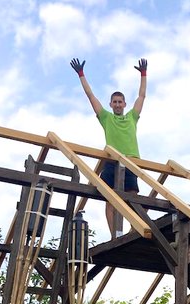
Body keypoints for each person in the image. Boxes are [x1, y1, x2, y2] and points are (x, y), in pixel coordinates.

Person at [69, 56, 148, 238]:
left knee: (133, 198)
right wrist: (81, 75)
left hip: (131, 162)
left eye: (121, 102)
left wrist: (143, 75)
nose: (118, 104)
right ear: (111, 104)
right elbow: (91, 96)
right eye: (115, 102)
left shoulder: (132, 117)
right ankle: (115, 235)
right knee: (111, 200)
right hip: (112, 162)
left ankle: (133, 231)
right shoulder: (106, 117)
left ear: (125, 104)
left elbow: (142, 96)